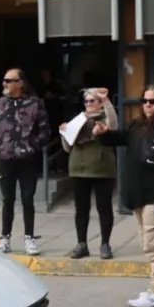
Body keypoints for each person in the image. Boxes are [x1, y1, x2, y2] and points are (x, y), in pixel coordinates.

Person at [93, 84, 154, 307]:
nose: (147, 105)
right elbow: (120, 138)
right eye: (144, 101)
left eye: (153, 101)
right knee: (149, 244)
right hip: (138, 193)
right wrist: (103, 133)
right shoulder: (139, 124)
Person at [0, 68, 51, 255]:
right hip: (6, 159)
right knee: (8, 199)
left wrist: (32, 145)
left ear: (20, 83)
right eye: (4, 80)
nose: (4, 84)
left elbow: (45, 131)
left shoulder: (35, 104)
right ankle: (5, 237)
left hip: (27, 160)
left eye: (9, 80)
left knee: (27, 199)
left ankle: (29, 238)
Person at [59, 87, 118, 260]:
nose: (88, 104)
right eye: (86, 101)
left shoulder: (105, 117)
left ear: (100, 103)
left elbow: (113, 125)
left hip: (102, 168)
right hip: (79, 167)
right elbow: (67, 147)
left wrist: (106, 100)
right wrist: (64, 133)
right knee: (81, 208)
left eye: (92, 101)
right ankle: (81, 244)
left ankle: (105, 244)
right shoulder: (78, 119)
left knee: (104, 207)